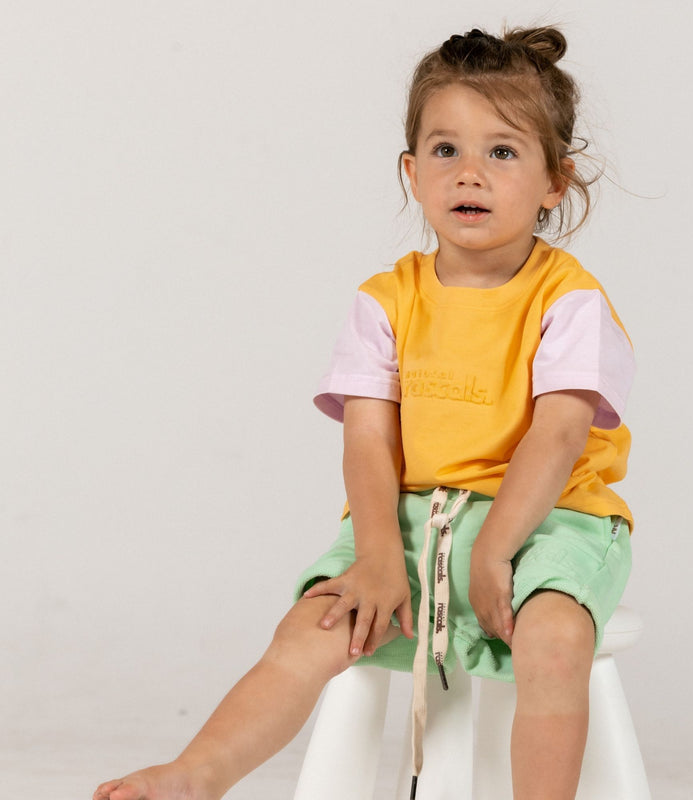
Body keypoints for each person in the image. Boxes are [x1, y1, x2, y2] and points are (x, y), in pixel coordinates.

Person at [94, 25, 635, 800]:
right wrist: (380, 554)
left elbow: (557, 435)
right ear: (413, 172)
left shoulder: (568, 300)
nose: (470, 174)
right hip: (412, 515)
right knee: (311, 627)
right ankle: (195, 774)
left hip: (551, 520)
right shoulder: (386, 299)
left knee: (554, 638)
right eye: (446, 150)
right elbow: (369, 442)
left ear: (556, 179)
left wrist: (495, 552)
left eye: (503, 152)